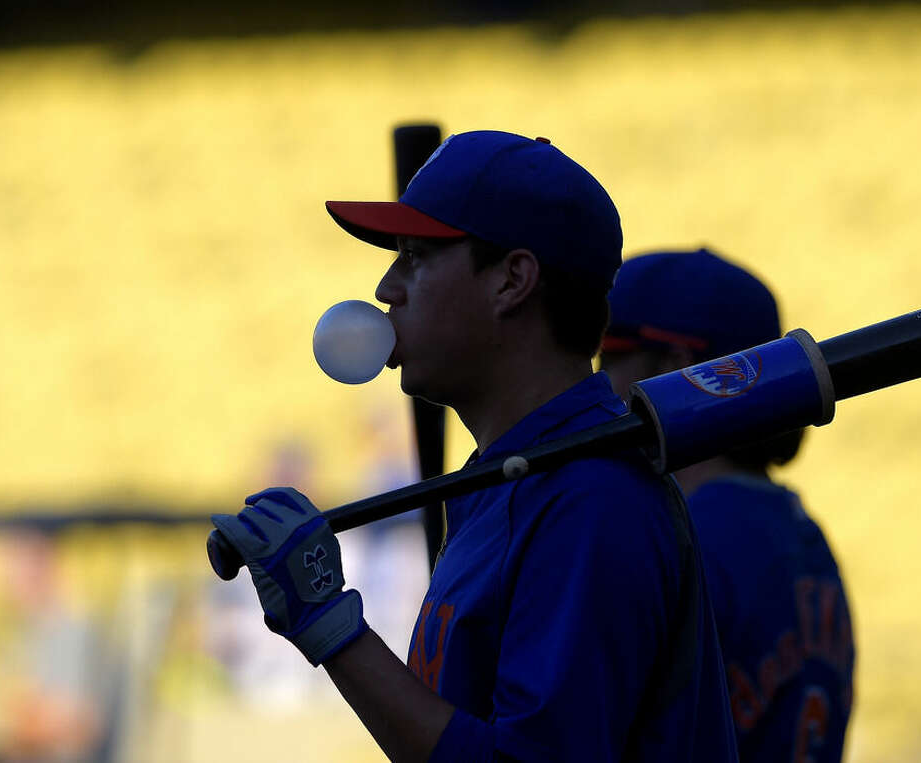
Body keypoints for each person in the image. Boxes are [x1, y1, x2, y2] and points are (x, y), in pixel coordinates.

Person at [210, 131, 739, 761]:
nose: (385, 288)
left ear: (512, 280)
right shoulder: (514, 478)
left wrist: (332, 628)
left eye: (416, 257)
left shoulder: (591, 500)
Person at [600, 248, 854, 762]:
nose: (599, 386)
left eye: (609, 360)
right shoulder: (808, 540)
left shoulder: (682, 540)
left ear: (673, 371)